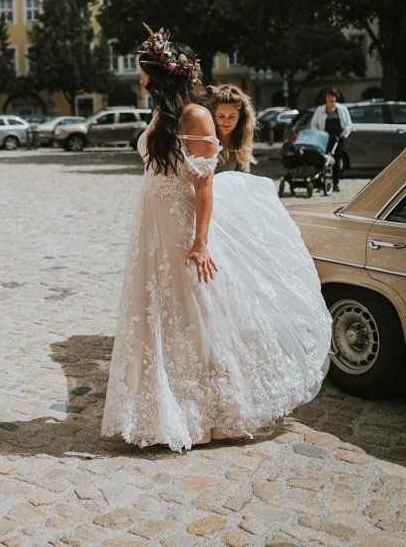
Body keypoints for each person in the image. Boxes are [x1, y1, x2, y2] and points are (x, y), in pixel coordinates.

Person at [101, 25, 330, 453]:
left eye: (144, 72)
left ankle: (209, 412)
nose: (140, 79)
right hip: (153, 222)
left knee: (193, 311)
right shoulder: (162, 113)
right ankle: (158, 409)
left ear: (162, 74)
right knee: (156, 310)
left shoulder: (196, 115)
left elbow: (203, 188)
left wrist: (200, 243)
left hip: (181, 225)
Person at [207, 84, 256, 173]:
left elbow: (243, 176)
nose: (226, 122)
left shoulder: (243, 139)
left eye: (232, 117)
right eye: (221, 116)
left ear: (240, 116)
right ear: (214, 115)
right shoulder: (206, 138)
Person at [310, 87, 351, 192]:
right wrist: (318, 134)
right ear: (326, 98)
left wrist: (344, 134)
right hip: (324, 139)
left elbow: (348, 123)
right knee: (322, 159)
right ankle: (320, 182)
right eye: (329, 96)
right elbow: (313, 124)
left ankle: (336, 183)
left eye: (333, 97)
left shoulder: (342, 109)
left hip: (339, 139)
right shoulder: (320, 109)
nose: (330, 99)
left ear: (336, 98)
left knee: (336, 160)